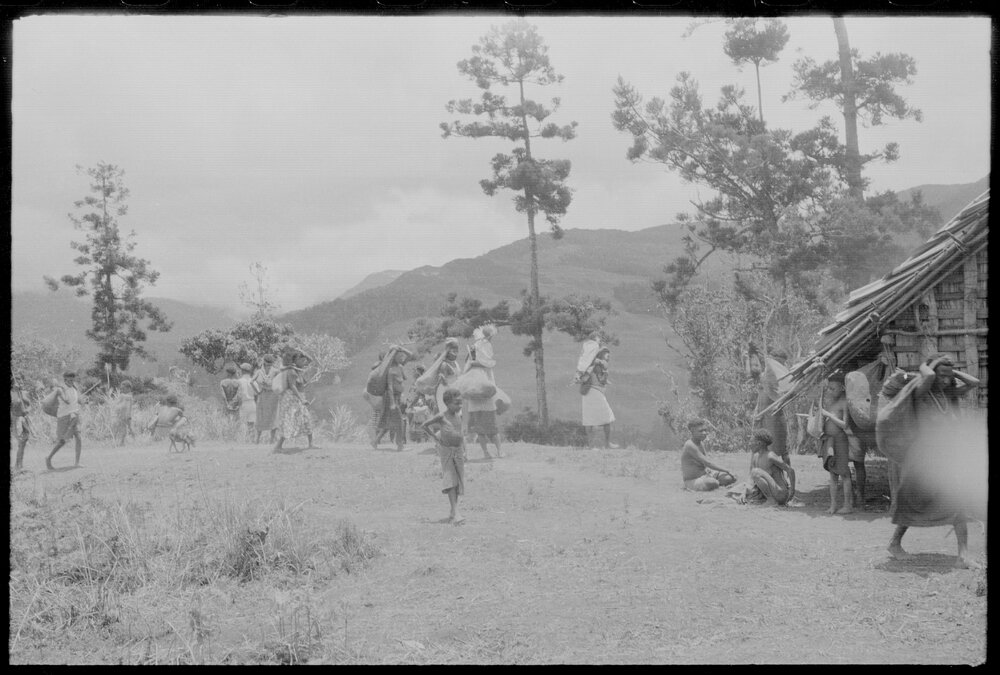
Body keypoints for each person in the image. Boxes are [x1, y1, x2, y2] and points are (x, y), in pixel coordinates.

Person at [887, 354, 981, 568]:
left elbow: (974, 382)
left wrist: (950, 371)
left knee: (957, 502)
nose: (945, 380)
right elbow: (928, 376)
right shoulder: (920, 394)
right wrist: (928, 366)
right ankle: (894, 543)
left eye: (948, 377)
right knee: (914, 503)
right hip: (920, 458)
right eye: (941, 376)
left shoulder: (947, 395)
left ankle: (963, 556)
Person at [422, 387, 467, 524]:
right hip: (447, 451)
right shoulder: (441, 416)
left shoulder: (458, 416)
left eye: (461, 403)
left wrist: (465, 449)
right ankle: (456, 513)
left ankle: (453, 511)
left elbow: (461, 433)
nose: (460, 406)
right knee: (450, 479)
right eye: (456, 403)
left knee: (458, 481)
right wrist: (436, 438)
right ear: (447, 403)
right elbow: (425, 425)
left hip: (458, 452)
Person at [463, 325, 502, 459]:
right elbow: (487, 362)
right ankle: (495, 451)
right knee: (489, 425)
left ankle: (489, 452)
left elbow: (475, 363)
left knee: (482, 426)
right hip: (483, 389)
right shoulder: (483, 347)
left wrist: (473, 363)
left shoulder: (476, 348)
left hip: (477, 389)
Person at [750, 346, 792, 465]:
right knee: (757, 446)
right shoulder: (765, 374)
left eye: (781, 363)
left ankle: (787, 473)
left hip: (774, 416)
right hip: (761, 415)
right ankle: (755, 472)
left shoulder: (782, 377)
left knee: (779, 449)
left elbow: (784, 393)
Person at [819, 371, 853, 515]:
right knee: (833, 474)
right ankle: (833, 505)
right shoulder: (830, 401)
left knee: (844, 473)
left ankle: (847, 505)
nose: (830, 391)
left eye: (833, 389)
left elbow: (845, 424)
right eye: (829, 388)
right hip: (829, 441)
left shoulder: (844, 402)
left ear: (842, 388)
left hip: (840, 441)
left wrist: (828, 415)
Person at [273, 350, 316, 453]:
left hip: (297, 398)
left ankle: (311, 444)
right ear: (296, 360)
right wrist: (302, 399)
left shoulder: (298, 369)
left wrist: (302, 352)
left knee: (306, 419)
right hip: (291, 399)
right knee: (290, 421)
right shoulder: (292, 371)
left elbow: (310, 361)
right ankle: (278, 446)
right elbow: (292, 386)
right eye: (302, 360)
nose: (305, 362)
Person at [578, 339, 617, 449]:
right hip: (594, 392)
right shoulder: (597, 364)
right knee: (605, 417)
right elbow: (600, 379)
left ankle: (595, 445)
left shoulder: (596, 364)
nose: (608, 356)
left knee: (591, 419)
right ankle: (604, 444)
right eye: (606, 354)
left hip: (591, 392)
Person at [680, 418, 736, 491]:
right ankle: (715, 484)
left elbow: (706, 462)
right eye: (701, 431)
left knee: (728, 478)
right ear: (692, 430)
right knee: (712, 482)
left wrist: (710, 471)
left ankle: (715, 483)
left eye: (705, 430)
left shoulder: (700, 443)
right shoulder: (689, 445)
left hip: (705, 474)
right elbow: (708, 463)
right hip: (692, 480)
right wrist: (727, 470)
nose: (704, 433)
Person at [374, 347, 411, 452]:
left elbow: (410, 355)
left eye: (402, 356)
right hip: (391, 399)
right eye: (399, 356)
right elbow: (389, 387)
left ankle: (375, 441)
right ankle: (400, 445)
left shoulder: (400, 367)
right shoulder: (390, 370)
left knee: (388, 422)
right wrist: (392, 403)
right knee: (400, 421)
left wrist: (401, 348)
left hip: (397, 398)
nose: (402, 358)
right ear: (394, 357)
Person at [748, 428, 796, 506]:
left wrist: (792, 490)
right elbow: (753, 480)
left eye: (751, 442)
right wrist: (744, 493)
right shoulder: (756, 456)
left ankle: (771, 500)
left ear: (759, 443)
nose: (749, 444)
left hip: (780, 494)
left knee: (755, 472)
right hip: (771, 492)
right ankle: (768, 499)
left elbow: (790, 470)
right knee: (746, 489)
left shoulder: (770, 456)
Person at [46, 371, 84, 470]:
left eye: (73, 379)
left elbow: (77, 401)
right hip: (64, 417)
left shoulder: (74, 389)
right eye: (69, 379)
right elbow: (66, 400)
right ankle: (48, 458)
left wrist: (82, 401)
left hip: (74, 416)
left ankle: (77, 463)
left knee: (79, 438)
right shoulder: (60, 389)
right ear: (65, 379)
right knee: (62, 441)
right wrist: (65, 396)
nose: (71, 381)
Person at [253, 354, 280, 444]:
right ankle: (260, 440)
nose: (269, 366)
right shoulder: (261, 371)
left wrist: (258, 391)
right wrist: (258, 391)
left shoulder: (272, 371)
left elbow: (251, 382)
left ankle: (267, 440)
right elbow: (252, 382)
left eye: (270, 364)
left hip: (269, 396)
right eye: (268, 364)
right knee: (263, 417)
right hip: (265, 396)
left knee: (271, 417)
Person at [433, 338, 462, 415]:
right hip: (446, 393)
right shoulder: (444, 365)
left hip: (455, 392)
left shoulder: (455, 363)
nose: (456, 354)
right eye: (454, 352)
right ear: (448, 352)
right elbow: (442, 381)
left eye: (457, 351)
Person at [11, 378, 32, 472]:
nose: (20, 383)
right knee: (20, 442)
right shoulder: (12, 394)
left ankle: (19, 465)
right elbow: (14, 406)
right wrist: (16, 393)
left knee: (23, 442)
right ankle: (18, 465)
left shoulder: (24, 393)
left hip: (24, 420)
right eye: (17, 382)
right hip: (16, 420)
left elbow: (30, 405)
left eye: (21, 381)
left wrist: (27, 410)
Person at [236, 363, 257, 441]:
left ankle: (243, 440)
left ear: (243, 371)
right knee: (251, 424)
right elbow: (257, 394)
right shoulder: (253, 381)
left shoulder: (239, 381)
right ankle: (251, 440)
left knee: (243, 423)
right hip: (252, 403)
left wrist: (238, 404)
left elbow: (238, 395)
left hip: (244, 403)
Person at [111, 380, 135, 446]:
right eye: (121, 389)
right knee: (120, 429)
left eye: (123, 389)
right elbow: (119, 405)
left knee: (127, 429)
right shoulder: (124, 396)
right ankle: (119, 442)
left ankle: (132, 440)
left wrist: (128, 417)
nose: (121, 390)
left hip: (126, 416)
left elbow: (127, 407)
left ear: (129, 388)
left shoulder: (128, 396)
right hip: (121, 416)